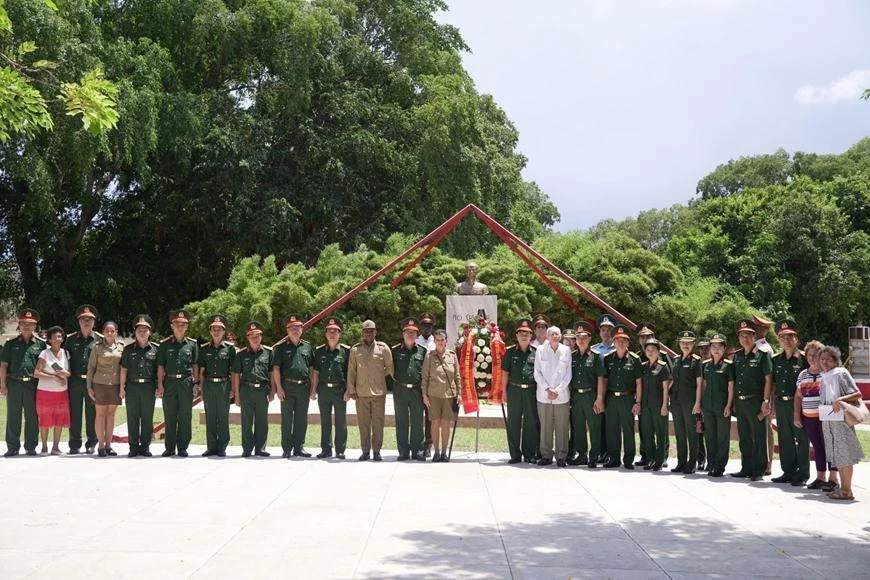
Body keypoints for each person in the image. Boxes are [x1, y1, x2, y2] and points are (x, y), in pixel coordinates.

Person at [817, 345, 864, 500]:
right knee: (838, 455)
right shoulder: (824, 376)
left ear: (835, 361)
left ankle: (846, 490)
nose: (824, 362)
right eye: (822, 359)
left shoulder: (841, 373)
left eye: (828, 359)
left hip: (841, 421)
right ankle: (844, 489)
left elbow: (857, 394)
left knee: (845, 455)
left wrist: (840, 399)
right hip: (829, 421)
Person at [730, 319, 773, 481]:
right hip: (741, 402)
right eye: (742, 336)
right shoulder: (738, 356)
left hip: (756, 401)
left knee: (759, 436)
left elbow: (768, 379)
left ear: (754, 336)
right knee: (745, 436)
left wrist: (766, 401)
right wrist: (733, 401)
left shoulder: (762, 355)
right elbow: (734, 380)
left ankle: (759, 469)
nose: (745, 338)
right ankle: (746, 467)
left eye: (748, 335)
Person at [346, 320, 394, 461]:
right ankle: (365, 451)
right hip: (361, 393)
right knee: (363, 423)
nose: (368, 333)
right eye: (366, 331)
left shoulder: (383, 348)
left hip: (379, 392)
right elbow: (351, 372)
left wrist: (379, 375)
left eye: (371, 331)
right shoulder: (355, 350)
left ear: (375, 332)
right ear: (362, 333)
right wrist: (352, 389)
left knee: (378, 423)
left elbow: (390, 368)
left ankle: (377, 451)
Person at [770, 319, 810, 486]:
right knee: (785, 438)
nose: (786, 340)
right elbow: (772, 383)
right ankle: (788, 471)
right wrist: (771, 404)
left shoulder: (803, 359)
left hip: (798, 404)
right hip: (781, 403)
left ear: (797, 339)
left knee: (801, 438)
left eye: (790, 337)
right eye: (783, 337)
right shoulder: (775, 359)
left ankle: (803, 473)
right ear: (779, 340)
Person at [795, 340, 839, 492]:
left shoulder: (827, 374)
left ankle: (834, 479)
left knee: (830, 446)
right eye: (809, 355)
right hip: (809, 418)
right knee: (818, 447)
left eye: (815, 355)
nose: (812, 358)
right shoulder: (802, 374)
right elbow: (798, 396)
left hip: (826, 418)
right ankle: (821, 477)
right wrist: (797, 415)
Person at [0, 309, 45, 456]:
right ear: (19, 325)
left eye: (30, 324)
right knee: (13, 416)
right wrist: (2, 385)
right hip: (14, 384)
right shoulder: (10, 344)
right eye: (23, 323)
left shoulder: (40, 345)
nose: (26, 326)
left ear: (35, 326)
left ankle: (31, 446)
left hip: (32, 385)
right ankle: (13, 447)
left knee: (32, 416)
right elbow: (4, 365)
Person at [156, 309, 200, 458]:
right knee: (170, 416)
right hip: (170, 382)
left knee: (185, 416)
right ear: (172, 326)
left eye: (183, 324)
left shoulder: (192, 345)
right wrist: (160, 384)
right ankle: (169, 447)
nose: (180, 326)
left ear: (187, 326)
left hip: (186, 382)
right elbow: (161, 366)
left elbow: (195, 365)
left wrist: (196, 383)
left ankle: (182, 447)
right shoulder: (164, 345)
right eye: (177, 324)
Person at [272, 314, 315, 459]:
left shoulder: (308, 347)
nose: (295, 330)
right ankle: (286, 448)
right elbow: (276, 369)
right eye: (291, 328)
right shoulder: (281, 348)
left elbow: (312, 369)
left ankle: (299, 447)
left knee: (301, 418)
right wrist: (278, 388)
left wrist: (312, 387)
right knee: (287, 418)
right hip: (287, 388)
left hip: (303, 387)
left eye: (297, 327)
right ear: (287, 330)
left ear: (302, 329)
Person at [602, 325, 642, 469]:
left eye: (624, 340)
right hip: (611, 398)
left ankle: (628, 459)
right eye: (618, 340)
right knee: (612, 430)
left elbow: (639, 383)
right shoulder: (607, 359)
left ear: (628, 343)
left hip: (627, 398)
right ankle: (614, 458)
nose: (621, 342)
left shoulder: (634, 359)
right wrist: (602, 399)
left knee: (628, 430)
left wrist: (638, 402)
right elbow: (604, 381)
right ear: (613, 341)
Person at [231, 322, 274, 457]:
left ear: (261, 336)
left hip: (262, 390)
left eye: (257, 335)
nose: (254, 338)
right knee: (246, 420)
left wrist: (272, 391)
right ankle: (247, 449)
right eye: (251, 336)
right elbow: (236, 374)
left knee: (262, 421)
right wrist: (237, 394)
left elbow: (272, 372)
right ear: (247, 337)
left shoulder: (269, 352)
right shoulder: (241, 354)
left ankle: (260, 448)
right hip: (246, 390)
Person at [568, 321, 606, 468]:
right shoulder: (572, 356)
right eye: (578, 336)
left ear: (590, 338)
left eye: (584, 336)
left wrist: (599, 398)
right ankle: (582, 454)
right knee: (578, 427)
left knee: (594, 427)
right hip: (576, 396)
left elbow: (600, 378)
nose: (581, 339)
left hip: (592, 396)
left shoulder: (596, 356)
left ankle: (594, 456)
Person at [311, 317, 350, 459]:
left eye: (335, 331)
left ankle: (340, 450)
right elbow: (316, 372)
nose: (332, 334)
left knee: (341, 421)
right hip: (323, 390)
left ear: (339, 334)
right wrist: (313, 389)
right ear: (325, 334)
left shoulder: (346, 351)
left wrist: (349, 390)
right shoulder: (319, 351)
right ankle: (326, 449)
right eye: (329, 331)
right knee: (325, 420)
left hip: (340, 390)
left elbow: (350, 373)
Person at [120, 315, 159, 457]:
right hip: (132, 386)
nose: (142, 332)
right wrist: (121, 388)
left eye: (145, 330)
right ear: (135, 332)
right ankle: (133, 447)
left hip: (148, 387)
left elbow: (159, 371)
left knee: (147, 417)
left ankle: (145, 446)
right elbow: (124, 369)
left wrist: (158, 387)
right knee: (133, 417)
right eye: (139, 330)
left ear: (150, 332)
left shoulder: (156, 350)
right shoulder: (128, 349)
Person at [422, 329, 463, 462]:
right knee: (434, 423)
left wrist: (459, 394)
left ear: (446, 341)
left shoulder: (452, 355)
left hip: (449, 395)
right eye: (437, 340)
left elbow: (457, 376)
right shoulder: (429, 356)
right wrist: (424, 395)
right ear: (434, 341)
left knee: (445, 424)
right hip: (433, 394)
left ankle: (444, 453)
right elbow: (425, 377)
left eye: (442, 339)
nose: (440, 342)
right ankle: (436, 453)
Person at [501, 319, 539, 464]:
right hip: (514, 391)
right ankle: (515, 454)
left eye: (527, 333)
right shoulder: (510, 352)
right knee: (513, 423)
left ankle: (529, 454)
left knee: (530, 423)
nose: (524, 335)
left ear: (531, 336)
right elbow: (505, 372)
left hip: (531, 392)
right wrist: (504, 391)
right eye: (521, 333)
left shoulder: (536, 353)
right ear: (516, 335)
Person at [533, 326, 572, 467]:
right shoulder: (540, 350)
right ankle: (546, 456)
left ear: (561, 336)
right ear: (547, 336)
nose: (554, 336)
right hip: (544, 396)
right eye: (552, 334)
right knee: (546, 427)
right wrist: (548, 389)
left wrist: (557, 390)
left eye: (557, 334)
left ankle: (561, 457)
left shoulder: (566, 351)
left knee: (562, 427)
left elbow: (568, 374)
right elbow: (537, 373)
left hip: (561, 397)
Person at [198, 315, 235, 457]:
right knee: (211, 416)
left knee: (223, 416)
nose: (216, 331)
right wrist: (201, 388)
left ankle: (222, 447)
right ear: (210, 331)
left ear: (224, 331)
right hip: (208, 385)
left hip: (224, 385)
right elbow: (201, 371)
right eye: (214, 329)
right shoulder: (204, 349)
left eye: (219, 329)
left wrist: (232, 389)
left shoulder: (230, 349)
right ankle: (211, 446)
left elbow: (233, 371)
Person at [65, 304, 101, 454]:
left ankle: (92, 443)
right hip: (75, 381)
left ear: (94, 322)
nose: (86, 322)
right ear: (79, 321)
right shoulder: (70, 340)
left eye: (90, 319)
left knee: (92, 413)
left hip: (93, 383)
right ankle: (74, 443)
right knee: (75, 413)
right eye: (83, 319)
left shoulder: (100, 340)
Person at [391, 318, 427, 461]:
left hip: (416, 390)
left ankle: (418, 450)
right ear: (403, 333)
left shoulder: (422, 352)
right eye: (408, 332)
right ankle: (403, 451)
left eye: (413, 332)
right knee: (401, 421)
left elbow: (425, 372)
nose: (410, 335)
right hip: (400, 389)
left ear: (417, 335)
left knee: (418, 420)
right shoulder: (394, 351)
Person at [86, 321, 124, 457]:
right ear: (103, 332)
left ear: (116, 332)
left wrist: (123, 386)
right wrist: (89, 386)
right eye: (107, 330)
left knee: (111, 415)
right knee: (100, 415)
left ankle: (109, 445)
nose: (109, 333)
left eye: (112, 331)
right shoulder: (97, 347)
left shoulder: (121, 347)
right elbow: (91, 368)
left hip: (115, 384)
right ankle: (100, 446)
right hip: (100, 383)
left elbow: (123, 367)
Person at [699, 334, 734, 477]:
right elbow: (704, 385)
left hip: (722, 406)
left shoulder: (728, 366)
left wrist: (728, 406)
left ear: (724, 348)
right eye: (713, 346)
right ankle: (711, 463)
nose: (716, 349)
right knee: (710, 436)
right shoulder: (706, 365)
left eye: (719, 346)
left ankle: (720, 466)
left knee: (722, 437)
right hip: (708, 406)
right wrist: (700, 404)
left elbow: (731, 387)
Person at [33, 326, 71, 455]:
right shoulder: (45, 354)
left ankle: (55, 447)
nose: (57, 339)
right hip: (45, 392)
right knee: (44, 419)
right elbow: (36, 373)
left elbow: (68, 373)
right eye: (54, 337)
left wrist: (66, 373)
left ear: (63, 338)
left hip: (62, 392)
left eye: (59, 336)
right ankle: (44, 447)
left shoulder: (65, 353)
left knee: (59, 420)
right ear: (49, 339)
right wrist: (53, 377)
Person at [670, 331, 704, 474]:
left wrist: (697, 403)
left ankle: (692, 463)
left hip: (690, 401)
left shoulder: (696, 361)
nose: (685, 345)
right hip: (676, 401)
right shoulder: (676, 360)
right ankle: (681, 462)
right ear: (679, 344)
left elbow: (699, 384)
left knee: (691, 433)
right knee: (680, 433)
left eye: (688, 343)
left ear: (693, 344)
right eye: (683, 342)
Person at [639, 339, 672, 471]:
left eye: (653, 350)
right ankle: (651, 459)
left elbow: (665, 388)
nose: (650, 352)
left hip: (659, 404)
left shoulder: (662, 366)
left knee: (660, 433)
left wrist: (665, 405)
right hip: (646, 405)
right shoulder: (644, 366)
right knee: (647, 433)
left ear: (658, 351)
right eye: (648, 350)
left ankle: (659, 461)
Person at [591, 314, 617, 464]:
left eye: (609, 330)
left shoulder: (619, 347)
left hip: (613, 392)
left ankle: (610, 453)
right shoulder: (594, 349)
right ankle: (600, 452)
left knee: (611, 425)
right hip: (598, 391)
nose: (606, 333)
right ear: (600, 332)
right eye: (603, 330)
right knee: (598, 423)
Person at [416, 312, 436, 457]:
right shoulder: (414, 340)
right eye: (424, 324)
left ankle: (429, 444)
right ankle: (417, 443)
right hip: (417, 384)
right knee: (417, 416)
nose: (426, 327)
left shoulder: (438, 341)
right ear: (419, 326)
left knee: (430, 416)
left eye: (429, 325)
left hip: (432, 385)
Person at [694, 336, 712, 470]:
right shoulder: (696, 363)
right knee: (699, 432)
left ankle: (712, 461)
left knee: (711, 434)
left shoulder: (715, 363)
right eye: (701, 348)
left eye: (706, 347)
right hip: (698, 403)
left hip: (712, 403)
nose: (704, 350)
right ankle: (701, 460)